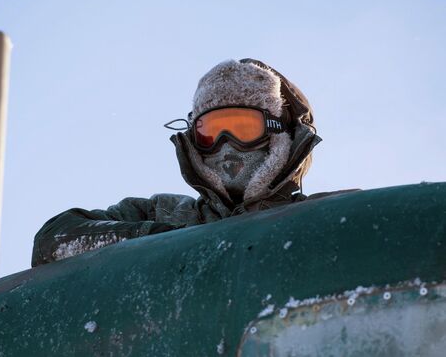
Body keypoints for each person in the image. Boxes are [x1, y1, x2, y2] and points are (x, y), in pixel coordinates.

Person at [32, 58, 350, 267]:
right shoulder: (163, 213)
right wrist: (159, 243)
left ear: (277, 136)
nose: (227, 147)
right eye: (210, 133)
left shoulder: (323, 217)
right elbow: (53, 242)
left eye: (242, 128)